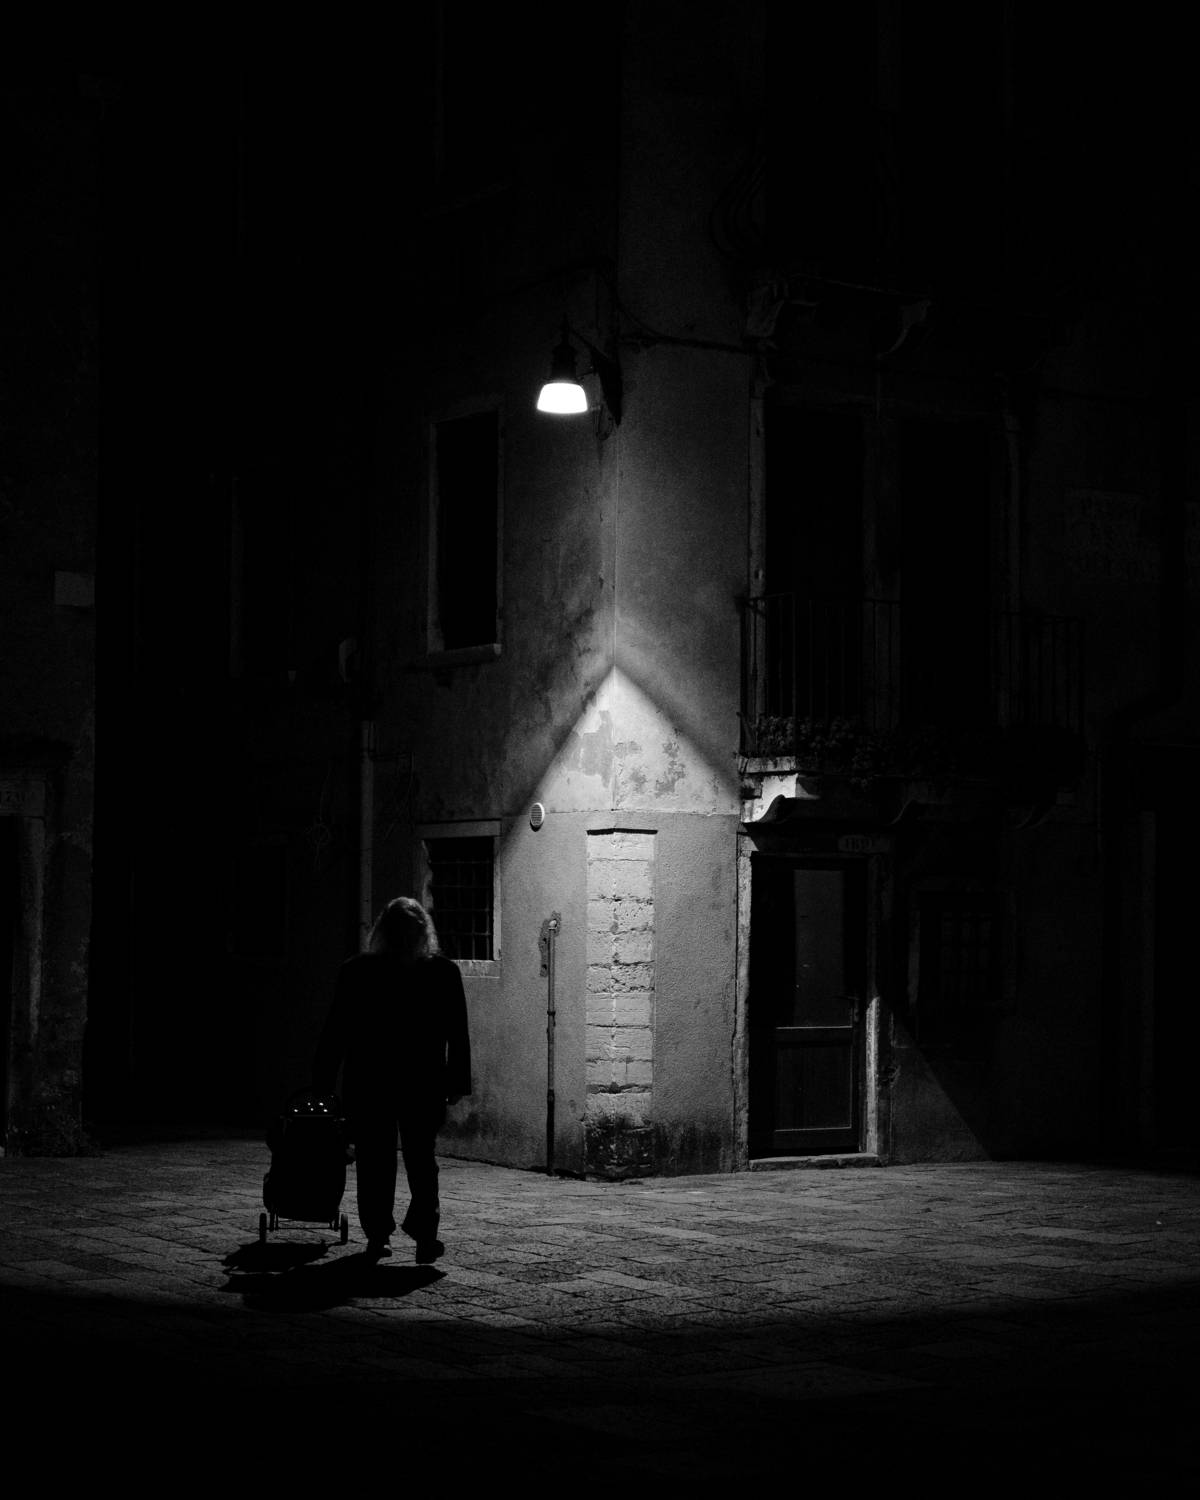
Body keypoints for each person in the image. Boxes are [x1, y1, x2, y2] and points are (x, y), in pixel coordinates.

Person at [312, 897, 471, 1263]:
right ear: (423, 932)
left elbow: (336, 1032)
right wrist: (456, 1083)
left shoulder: (357, 971)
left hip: (371, 1080)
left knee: (374, 1160)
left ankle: (378, 1234)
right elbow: (457, 1033)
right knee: (421, 1159)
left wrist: (323, 1082)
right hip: (422, 1080)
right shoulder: (443, 972)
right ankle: (424, 1234)